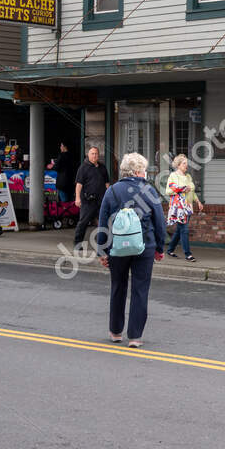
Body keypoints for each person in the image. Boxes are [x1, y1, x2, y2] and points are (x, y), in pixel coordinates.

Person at [96, 152, 166, 347]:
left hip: (117, 248)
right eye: (144, 170)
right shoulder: (149, 190)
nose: (145, 173)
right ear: (137, 171)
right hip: (144, 247)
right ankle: (135, 336)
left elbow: (103, 222)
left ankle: (116, 332)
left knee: (118, 287)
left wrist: (102, 251)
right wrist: (160, 248)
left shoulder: (113, 191)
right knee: (140, 289)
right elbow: (159, 222)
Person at [162, 153, 201, 261]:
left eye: (186, 164)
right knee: (184, 230)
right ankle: (188, 254)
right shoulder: (173, 176)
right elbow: (168, 191)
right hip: (179, 207)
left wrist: (197, 201)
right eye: (184, 163)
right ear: (178, 165)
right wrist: (182, 189)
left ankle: (170, 250)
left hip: (188, 207)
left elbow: (192, 191)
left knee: (180, 230)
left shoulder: (188, 176)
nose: (186, 165)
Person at [73, 144, 109, 252]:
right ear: (88, 155)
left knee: (103, 223)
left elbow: (107, 183)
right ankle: (77, 245)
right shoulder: (83, 167)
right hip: (88, 201)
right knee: (83, 223)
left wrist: (107, 197)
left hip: (101, 201)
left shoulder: (102, 167)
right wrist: (77, 198)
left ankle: (101, 245)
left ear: (98, 155)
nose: (94, 156)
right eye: (92, 154)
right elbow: (79, 185)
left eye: (96, 154)